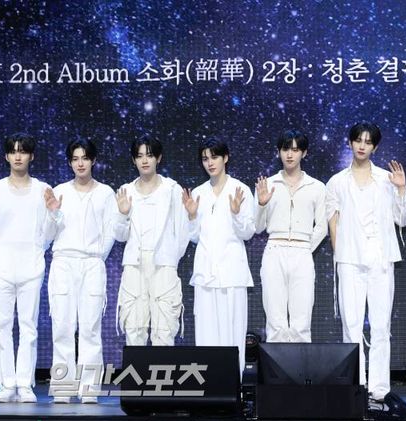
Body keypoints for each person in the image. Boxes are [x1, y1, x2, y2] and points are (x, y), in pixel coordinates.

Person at [326, 122, 406, 401]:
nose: (362, 146)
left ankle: (380, 388)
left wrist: (401, 189)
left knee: (381, 325)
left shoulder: (387, 179)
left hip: (380, 260)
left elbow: (402, 219)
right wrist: (340, 255)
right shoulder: (337, 182)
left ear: (375, 146)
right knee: (351, 325)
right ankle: (355, 385)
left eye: (368, 141)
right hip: (349, 260)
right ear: (350, 143)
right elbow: (333, 222)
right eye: (358, 140)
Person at [44, 138, 116, 404]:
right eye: (75, 159)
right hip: (63, 262)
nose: (80, 163)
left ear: (93, 160)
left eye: (85, 158)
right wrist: (53, 213)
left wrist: (96, 257)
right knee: (62, 326)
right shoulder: (59, 191)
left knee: (90, 329)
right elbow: (47, 235)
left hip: (92, 264)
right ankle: (63, 388)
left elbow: (110, 232)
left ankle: (89, 389)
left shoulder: (105, 193)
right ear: (70, 162)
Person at [0, 133, 52, 403]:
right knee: (2, 326)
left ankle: (25, 384)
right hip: (1, 266)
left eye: (22, 151)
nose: (17, 156)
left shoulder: (42, 189)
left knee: (29, 327)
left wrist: (38, 248)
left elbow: (48, 232)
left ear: (31, 156)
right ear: (6, 156)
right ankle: (6, 384)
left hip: (31, 268)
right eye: (13, 151)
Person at [182, 138, 255, 376]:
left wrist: (236, 213)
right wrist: (192, 216)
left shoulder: (240, 190)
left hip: (232, 274)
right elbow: (193, 236)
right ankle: (209, 384)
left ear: (225, 158)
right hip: (205, 275)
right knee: (206, 333)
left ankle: (233, 385)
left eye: (214, 157)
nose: (210, 163)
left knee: (233, 333)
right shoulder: (198, 193)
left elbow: (248, 232)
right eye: (205, 159)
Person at [115, 135, 189, 347]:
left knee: (164, 327)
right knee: (134, 326)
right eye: (139, 156)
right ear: (134, 160)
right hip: (134, 264)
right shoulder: (126, 190)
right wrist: (123, 214)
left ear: (158, 158)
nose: (145, 160)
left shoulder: (172, 190)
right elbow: (119, 236)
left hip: (163, 264)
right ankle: (136, 370)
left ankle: (162, 370)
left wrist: (170, 259)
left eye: (149, 155)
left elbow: (182, 232)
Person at [254, 130, 326, 343]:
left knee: (301, 323)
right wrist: (261, 204)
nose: (290, 154)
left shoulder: (317, 187)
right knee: (275, 322)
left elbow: (322, 226)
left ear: (304, 153)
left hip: (302, 252)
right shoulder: (267, 184)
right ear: (279, 152)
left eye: (295, 149)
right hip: (274, 250)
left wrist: (304, 248)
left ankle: (301, 366)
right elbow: (257, 227)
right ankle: (275, 366)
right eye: (286, 149)